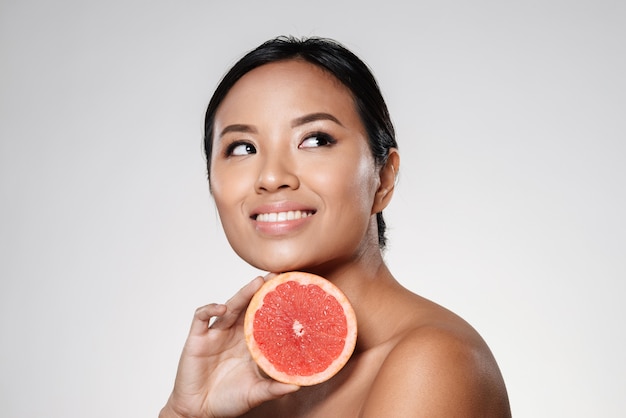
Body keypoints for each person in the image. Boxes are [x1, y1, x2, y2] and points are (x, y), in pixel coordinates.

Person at [159, 36, 511, 418]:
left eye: (315, 139)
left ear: (384, 177)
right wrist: (185, 413)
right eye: (242, 147)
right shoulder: (241, 380)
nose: (272, 176)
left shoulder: (434, 361)